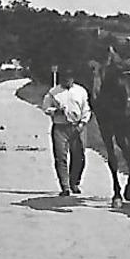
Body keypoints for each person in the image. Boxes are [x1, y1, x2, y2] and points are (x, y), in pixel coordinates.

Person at [41, 68, 91, 197]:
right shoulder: (54, 92)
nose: (67, 80)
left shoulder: (81, 91)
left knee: (79, 156)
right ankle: (65, 186)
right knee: (60, 157)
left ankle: (75, 182)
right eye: (65, 78)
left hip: (77, 126)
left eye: (70, 78)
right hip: (60, 127)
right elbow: (45, 107)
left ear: (73, 79)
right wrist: (55, 111)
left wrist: (83, 123)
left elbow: (86, 109)